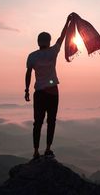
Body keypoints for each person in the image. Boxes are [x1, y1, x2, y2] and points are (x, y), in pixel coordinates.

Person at [25, 15, 71, 160]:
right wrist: (67, 22)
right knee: (51, 121)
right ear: (49, 41)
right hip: (52, 93)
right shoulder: (53, 51)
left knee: (37, 123)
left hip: (39, 93)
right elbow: (62, 37)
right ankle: (48, 149)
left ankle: (36, 151)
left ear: (38, 42)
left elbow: (28, 74)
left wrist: (26, 90)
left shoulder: (32, 56)